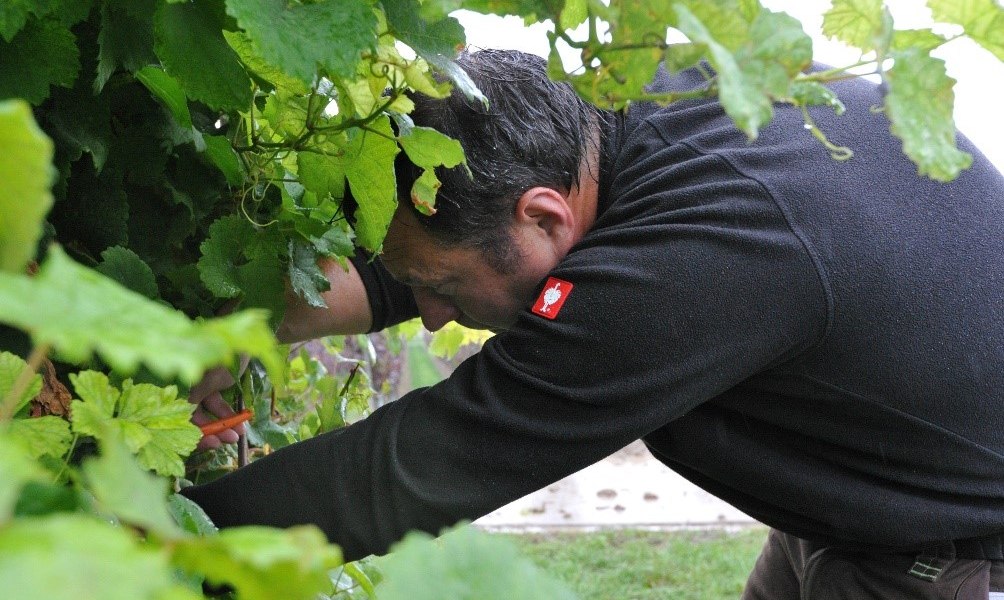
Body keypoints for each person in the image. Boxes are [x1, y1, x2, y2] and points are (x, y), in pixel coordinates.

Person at [181, 49, 1004, 598]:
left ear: (543, 217)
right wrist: (227, 336)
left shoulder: (693, 260)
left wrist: (157, 549)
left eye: (441, 291)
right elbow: (449, 246)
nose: (432, 319)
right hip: (859, 495)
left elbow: (418, 466)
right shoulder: (619, 123)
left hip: (949, 553)